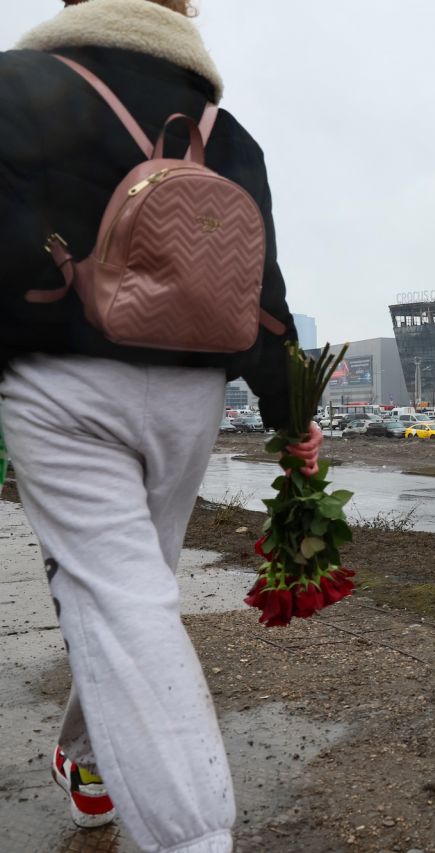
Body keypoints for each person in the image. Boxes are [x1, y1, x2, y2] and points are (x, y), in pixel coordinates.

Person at [0, 1, 318, 850]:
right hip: (191, 393)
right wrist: (292, 418)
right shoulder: (227, 131)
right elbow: (265, 296)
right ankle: (90, 759)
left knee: (118, 600)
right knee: (133, 595)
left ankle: (191, 837)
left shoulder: (14, 87)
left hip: (59, 379)